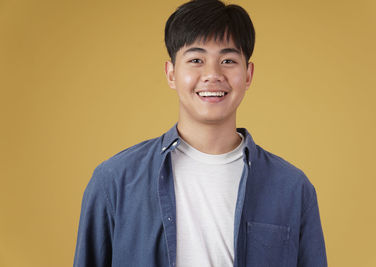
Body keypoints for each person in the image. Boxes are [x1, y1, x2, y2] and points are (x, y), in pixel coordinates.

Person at [73, 0, 327, 266]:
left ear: (248, 74)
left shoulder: (293, 188)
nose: (212, 74)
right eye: (196, 60)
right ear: (171, 74)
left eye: (228, 60)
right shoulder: (115, 181)